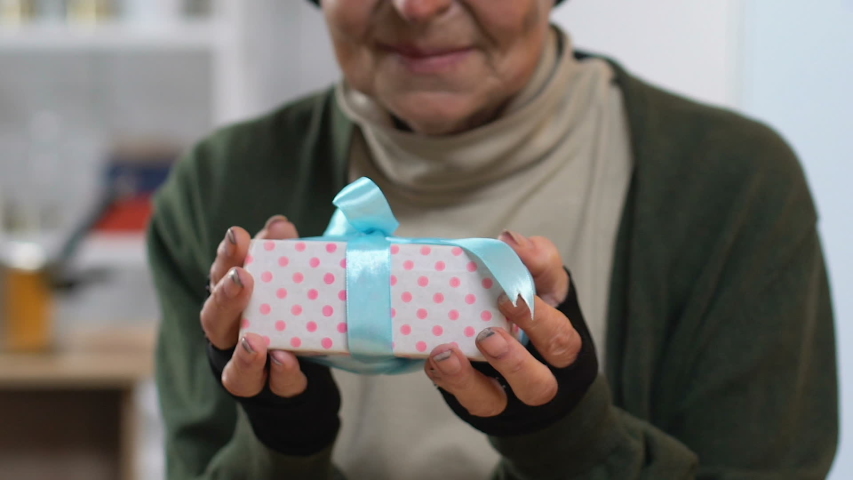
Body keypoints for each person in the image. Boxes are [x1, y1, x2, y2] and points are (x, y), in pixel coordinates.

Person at [147, 0, 838, 478]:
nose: (415, 6)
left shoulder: (730, 184)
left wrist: (566, 438)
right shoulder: (219, 185)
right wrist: (279, 444)